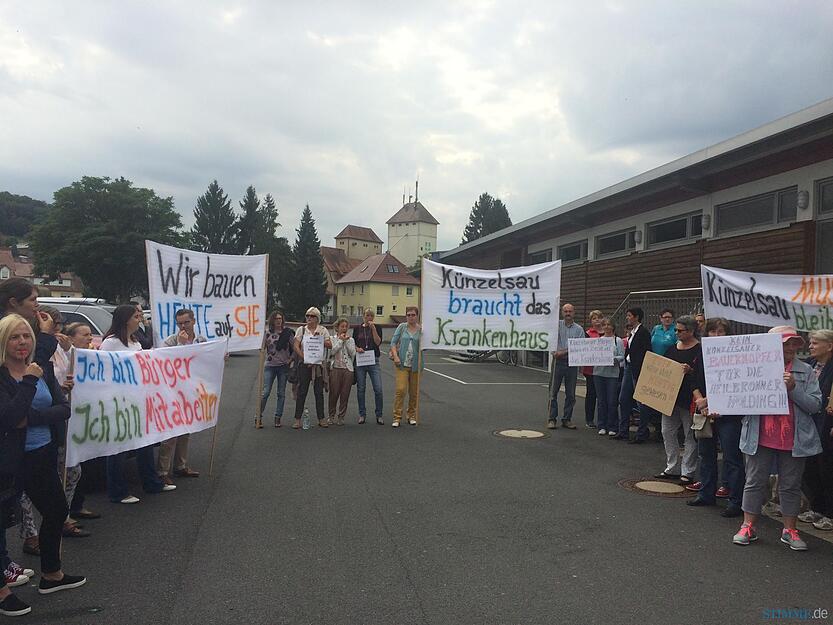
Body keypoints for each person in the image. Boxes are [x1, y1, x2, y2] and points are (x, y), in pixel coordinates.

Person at [0, 314, 86, 609]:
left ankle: (51, 574)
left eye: (26, 336)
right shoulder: (5, 375)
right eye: (14, 337)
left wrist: (31, 419)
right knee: (1, 523)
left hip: (42, 453)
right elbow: (10, 418)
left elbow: (63, 409)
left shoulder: (42, 367)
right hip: (10, 460)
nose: (22, 342)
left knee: (57, 510)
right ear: (3, 342)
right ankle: (2, 594)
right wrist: (28, 383)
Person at [732, 326, 823, 551]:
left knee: (790, 486)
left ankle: (790, 530)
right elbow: (738, 397)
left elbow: (815, 405)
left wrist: (793, 388)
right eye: (785, 344)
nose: (790, 348)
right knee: (754, 482)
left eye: (794, 343)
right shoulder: (754, 369)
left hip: (794, 438)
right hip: (759, 435)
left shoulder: (805, 371)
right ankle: (748, 526)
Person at [100, 305, 174, 503]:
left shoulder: (134, 341)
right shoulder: (111, 343)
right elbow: (104, 372)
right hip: (119, 402)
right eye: (136, 316)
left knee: (145, 443)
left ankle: (151, 482)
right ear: (125, 320)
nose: (139, 319)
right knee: (119, 448)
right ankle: (117, 491)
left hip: (138, 400)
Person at [687, 317, 745, 517]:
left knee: (732, 458)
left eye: (721, 332)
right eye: (713, 331)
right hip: (705, 412)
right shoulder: (701, 353)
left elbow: (736, 382)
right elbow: (694, 379)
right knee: (706, 455)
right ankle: (706, 493)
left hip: (729, 414)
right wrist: (700, 400)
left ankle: (736, 501)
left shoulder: (737, 355)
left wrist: (710, 400)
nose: (716, 335)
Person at [157, 309, 205, 484]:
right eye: (179, 323)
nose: (183, 326)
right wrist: (181, 346)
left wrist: (219, 357)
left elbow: (204, 361)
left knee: (186, 430)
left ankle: (180, 466)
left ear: (193, 321)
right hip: (172, 392)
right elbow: (165, 362)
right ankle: (162, 472)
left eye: (186, 322)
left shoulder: (200, 340)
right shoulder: (170, 341)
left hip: (190, 391)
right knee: (170, 433)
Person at [653, 315, 701, 484]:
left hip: (689, 397)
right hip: (670, 397)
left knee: (689, 434)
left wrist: (691, 370)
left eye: (680, 330)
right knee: (667, 431)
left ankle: (687, 471)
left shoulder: (699, 349)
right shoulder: (673, 348)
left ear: (691, 331)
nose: (676, 333)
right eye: (675, 330)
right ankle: (672, 467)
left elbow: (702, 373)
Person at [61, 323, 100, 526]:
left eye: (90, 334)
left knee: (83, 465)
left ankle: (77, 506)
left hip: (87, 419)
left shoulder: (93, 355)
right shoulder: (66, 355)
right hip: (70, 419)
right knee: (70, 468)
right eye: (84, 335)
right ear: (71, 338)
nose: (89, 338)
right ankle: (63, 515)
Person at [798, 329, 833, 530]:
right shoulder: (809, 366)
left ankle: (830, 512)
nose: (810, 346)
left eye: (815, 343)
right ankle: (816, 507)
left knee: (826, 468)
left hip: (827, 424)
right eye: (810, 342)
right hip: (809, 423)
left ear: (829, 346)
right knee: (810, 467)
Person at [0, 278, 58, 369]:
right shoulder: (3, 329)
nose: (37, 304)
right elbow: (32, 362)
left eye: (26, 336)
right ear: (13, 302)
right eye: (32, 300)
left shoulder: (27, 324)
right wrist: (46, 334)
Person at [547, 303, 585, 430]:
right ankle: (552, 419)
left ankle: (567, 419)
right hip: (557, 363)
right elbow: (549, 340)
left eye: (570, 311)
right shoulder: (555, 326)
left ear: (574, 313)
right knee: (553, 392)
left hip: (571, 363)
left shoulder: (579, 329)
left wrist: (563, 352)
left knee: (571, 394)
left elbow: (579, 346)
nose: (568, 313)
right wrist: (553, 351)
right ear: (562, 313)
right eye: (565, 311)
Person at [293, 307, 332, 429]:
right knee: (302, 392)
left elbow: (330, 344)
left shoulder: (323, 330)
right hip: (305, 364)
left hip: (318, 365)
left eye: (312, 316)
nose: (309, 318)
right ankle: (297, 419)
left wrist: (318, 338)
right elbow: (296, 346)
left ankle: (321, 418)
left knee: (318, 393)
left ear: (317, 318)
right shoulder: (301, 330)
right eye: (307, 315)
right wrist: (304, 357)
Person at [617, 307, 651, 441]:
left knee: (640, 402)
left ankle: (642, 432)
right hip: (628, 367)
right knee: (623, 399)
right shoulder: (632, 332)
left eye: (629, 315)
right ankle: (623, 430)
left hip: (638, 369)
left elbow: (647, 351)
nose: (627, 317)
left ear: (636, 317)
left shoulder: (643, 332)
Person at [260, 310, 294, 428]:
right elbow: (262, 347)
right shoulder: (267, 333)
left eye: (280, 318)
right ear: (272, 320)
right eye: (276, 319)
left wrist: (291, 359)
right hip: (270, 366)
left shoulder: (287, 333)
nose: (278, 321)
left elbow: (295, 347)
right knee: (265, 392)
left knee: (281, 393)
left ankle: (277, 417)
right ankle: (258, 415)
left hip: (283, 366)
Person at [390, 306, 423, 427]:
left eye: (413, 315)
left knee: (414, 392)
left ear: (417, 316)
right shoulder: (402, 327)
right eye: (408, 315)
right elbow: (393, 342)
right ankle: (397, 417)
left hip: (416, 365)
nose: (410, 317)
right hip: (402, 364)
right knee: (401, 390)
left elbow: (425, 346)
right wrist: (395, 356)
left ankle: (411, 415)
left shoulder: (421, 329)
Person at [593, 318, 624, 436]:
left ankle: (612, 426)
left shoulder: (618, 340)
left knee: (612, 401)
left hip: (612, 374)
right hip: (599, 373)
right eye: (604, 325)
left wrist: (612, 359)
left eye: (609, 325)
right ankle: (602, 425)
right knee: (601, 401)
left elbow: (622, 357)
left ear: (613, 327)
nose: (606, 327)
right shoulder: (598, 340)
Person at [353, 308, 384, 425]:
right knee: (361, 388)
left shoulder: (378, 327)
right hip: (361, 360)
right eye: (367, 315)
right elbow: (353, 343)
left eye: (371, 315)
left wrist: (373, 329)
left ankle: (379, 414)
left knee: (378, 388)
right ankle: (362, 414)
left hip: (373, 360)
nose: (369, 318)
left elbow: (378, 342)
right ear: (363, 316)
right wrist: (357, 348)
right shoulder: (357, 329)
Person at [328, 318, 356, 426]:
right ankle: (331, 416)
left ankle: (341, 416)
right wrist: (340, 341)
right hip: (335, 367)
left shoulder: (351, 340)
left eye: (346, 327)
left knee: (345, 394)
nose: (344, 329)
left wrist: (347, 342)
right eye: (342, 327)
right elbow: (332, 351)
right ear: (337, 328)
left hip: (347, 369)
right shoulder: (332, 338)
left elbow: (353, 353)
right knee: (334, 393)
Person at [582, 310, 604, 429]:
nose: (597, 320)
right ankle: (589, 419)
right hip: (591, 369)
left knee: (603, 395)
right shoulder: (588, 333)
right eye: (594, 318)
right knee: (591, 394)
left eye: (599, 318)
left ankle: (603, 419)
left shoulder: (607, 332)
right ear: (591, 321)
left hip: (605, 369)